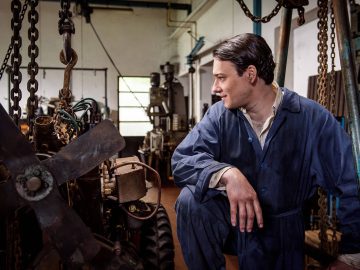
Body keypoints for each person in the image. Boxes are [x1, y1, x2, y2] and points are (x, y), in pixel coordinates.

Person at [171, 33, 360, 270]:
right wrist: (227, 174)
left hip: (282, 235)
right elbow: (181, 161)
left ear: (250, 74)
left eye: (221, 77)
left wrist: (352, 254)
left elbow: (350, 183)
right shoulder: (220, 116)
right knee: (190, 201)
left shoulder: (312, 119)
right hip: (235, 225)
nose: (215, 87)